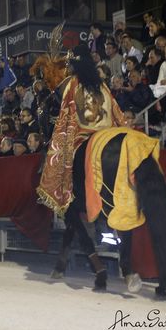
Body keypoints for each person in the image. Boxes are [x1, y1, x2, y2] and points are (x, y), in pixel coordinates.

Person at [36, 44, 127, 216]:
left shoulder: (72, 84)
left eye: (70, 64)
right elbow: (115, 110)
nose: (68, 68)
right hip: (108, 131)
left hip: (84, 134)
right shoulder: (101, 84)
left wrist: (61, 138)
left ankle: (65, 193)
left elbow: (66, 115)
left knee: (63, 161)